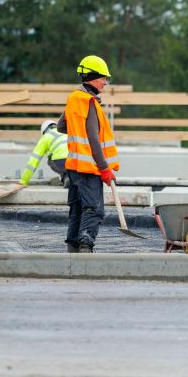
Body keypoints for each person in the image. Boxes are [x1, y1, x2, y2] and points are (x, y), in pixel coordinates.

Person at [58, 55, 120, 253]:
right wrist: (104, 168)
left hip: (73, 169)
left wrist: (78, 131)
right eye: (103, 78)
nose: (105, 82)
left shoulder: (73, 99)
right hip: (89, 168)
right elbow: (93, 138)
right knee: (93, 210)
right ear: (93, 78)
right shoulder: (90, 102)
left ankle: (72, 249)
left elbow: (61, 126)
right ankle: (85, 248)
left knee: (76, 209)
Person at [18, 120, 68, 186]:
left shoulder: (45, 137)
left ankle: (66, 177)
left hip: (61, 162)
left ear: (44, 131)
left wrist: (23, 181)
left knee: (50, 160)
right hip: (75, 160)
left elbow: (33, 161)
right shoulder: (65, 132)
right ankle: (68, 178)